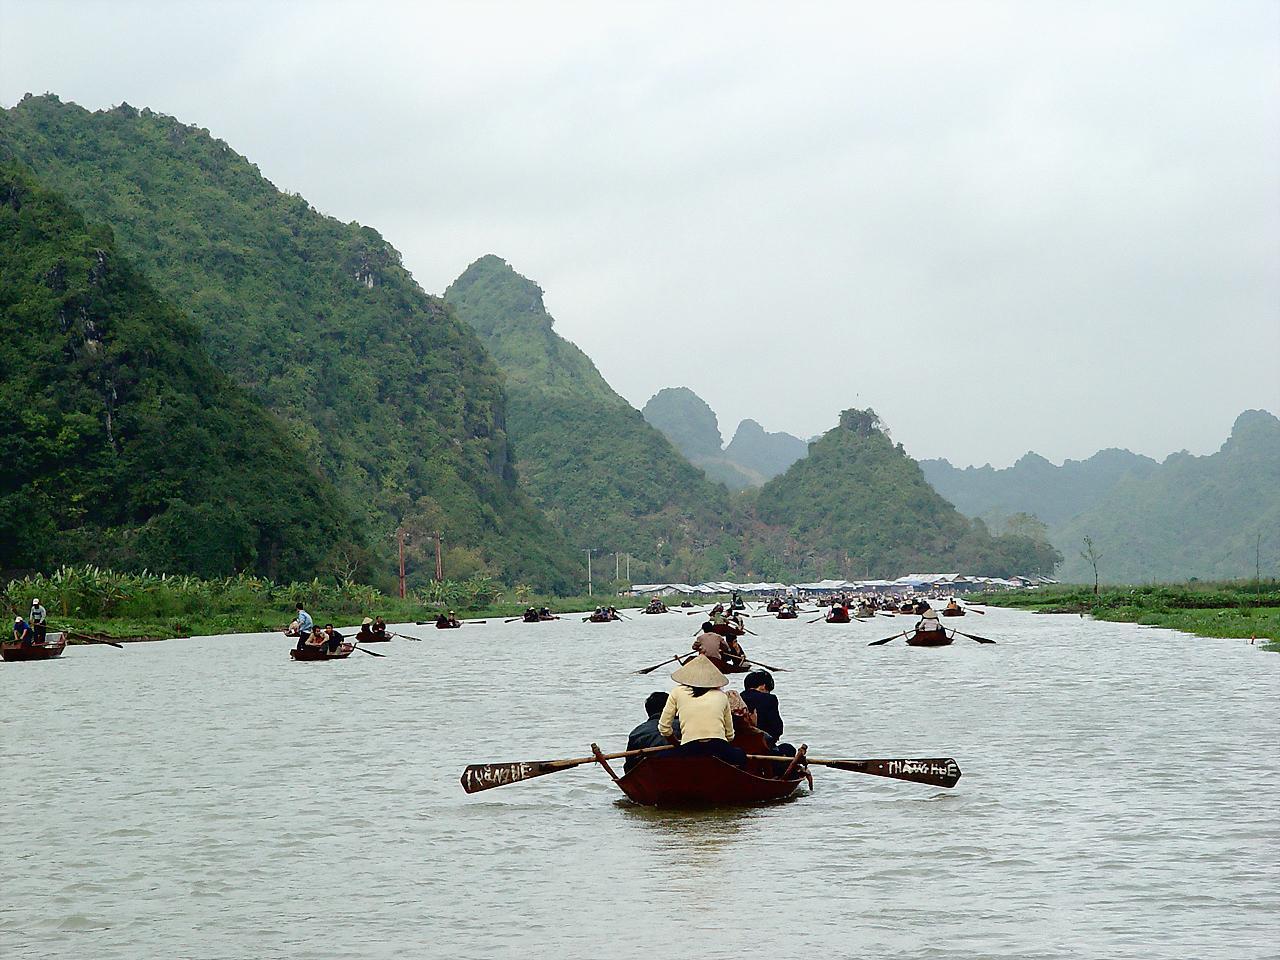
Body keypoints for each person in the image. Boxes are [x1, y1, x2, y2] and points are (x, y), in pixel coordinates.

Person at [658, 655, 745, 767]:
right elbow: (730, 735)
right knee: (741, 756)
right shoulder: (721, 695)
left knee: (660, 758)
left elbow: (664, 728)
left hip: (689, 747)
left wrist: (677, 744)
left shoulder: (677, 692)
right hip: (719, 746)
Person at [624, 691, 680, 772]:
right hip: (685, 767)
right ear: (672, 708)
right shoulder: (685, 725)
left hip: (653, 774)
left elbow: (629, 768)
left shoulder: (636, 733)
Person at [742, 670, 784, 742]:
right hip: (762, 742)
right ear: (763, 686)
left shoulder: (739, 697)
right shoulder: (770, 699)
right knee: (788, 748)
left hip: (739, 742)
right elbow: (777, 728)